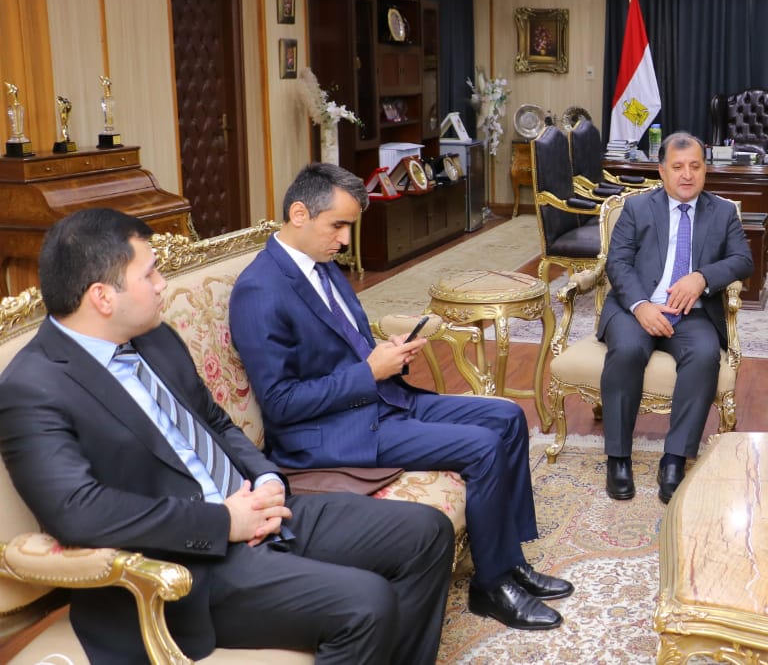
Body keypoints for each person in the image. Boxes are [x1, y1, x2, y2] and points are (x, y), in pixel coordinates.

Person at [0, 208, 454, 664]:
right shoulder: (33, 386)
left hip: (255, 508)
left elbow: (214, 422)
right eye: (149, 273)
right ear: (102, 296)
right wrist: (223, 522)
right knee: (366, 602)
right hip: (183, 566)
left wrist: (267, 478)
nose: (162, 284)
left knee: (425, 531)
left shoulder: (152, 337)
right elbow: (77, 512)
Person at [229, 163, 572, 631]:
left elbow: (343, 345)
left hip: (377, 401)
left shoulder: (319, 264)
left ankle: (510, 562)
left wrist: (383, 354)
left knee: (507, 417)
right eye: (338, 226)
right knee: (483, 446)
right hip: (328, 433)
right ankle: (491, 587)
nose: (345, 240)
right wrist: (369, 372)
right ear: (299, 214)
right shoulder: (259, 290)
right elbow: (282, 403)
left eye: (349, 227)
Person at [597, 131, 753, 503]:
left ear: (705, 170)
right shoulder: (637, 208)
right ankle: (618, 459)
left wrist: (702, 278)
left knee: (704, 355)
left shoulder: (722, 212)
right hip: (636, 309)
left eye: (695, 166)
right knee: (628, 351)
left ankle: (674, 459)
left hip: (692, 313)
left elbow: (743, 260)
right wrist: (641, 305)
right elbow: (617, 263)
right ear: (662, 171)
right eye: (678, 166)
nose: (687, 175)